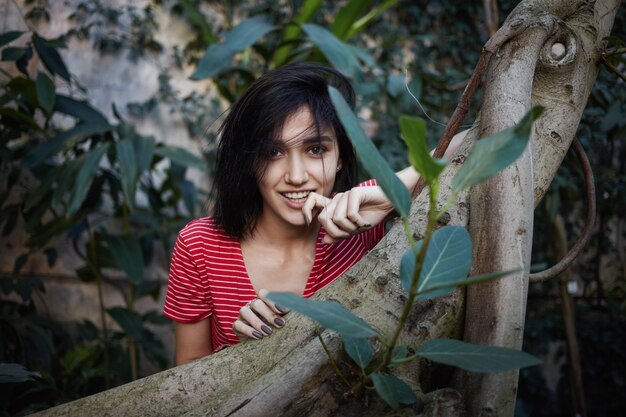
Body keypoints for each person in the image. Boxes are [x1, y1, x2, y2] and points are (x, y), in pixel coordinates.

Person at [163, 62, 450, 365]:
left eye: (315, 149)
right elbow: (187, 372)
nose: (297, 176)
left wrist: (388, 194)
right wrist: (242, 355)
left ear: (340, 156)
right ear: (249, 161)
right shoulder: (200, 244)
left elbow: (477, 145)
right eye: (273, 152)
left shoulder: (361, 214)